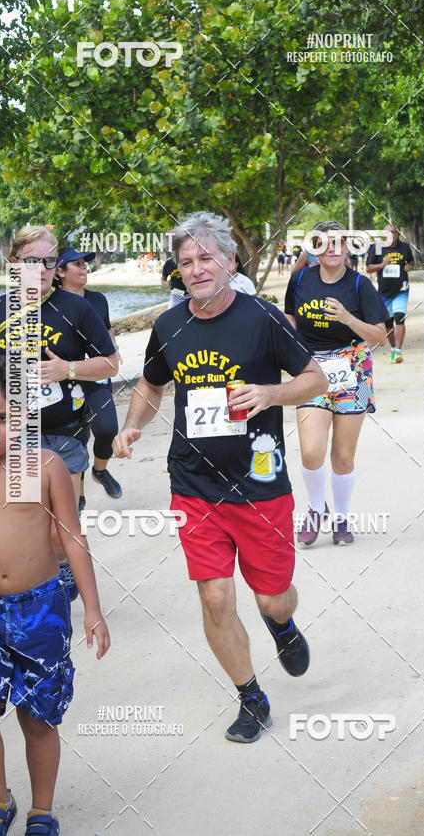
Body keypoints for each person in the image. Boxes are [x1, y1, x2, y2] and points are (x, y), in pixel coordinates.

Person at [113, 211, 326, 744]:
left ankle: (281, 624)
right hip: (194, 484)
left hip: (260, 485)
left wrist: (271, 394)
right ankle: (251, 698)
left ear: (230, 261)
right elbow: (152, 384)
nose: (197, 268)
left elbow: (316, 378)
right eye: (186, 261)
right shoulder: (169, 325)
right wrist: (131, 426)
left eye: (207, 257)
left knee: (273, 595)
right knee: (214, 598)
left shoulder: (265, 318)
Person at [0, 355, 110, 836]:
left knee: (37, 718)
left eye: (4, 418)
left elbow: (72, 538)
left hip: (43, 610)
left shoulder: (47, 466)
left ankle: (41, 809)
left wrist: (92, 610)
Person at [0, 225, 118, 597]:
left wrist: (66, 369)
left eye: (50, 261)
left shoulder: (76, 308)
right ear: (15, 263)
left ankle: (63, 570)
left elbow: (111, 363)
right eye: (33, 260)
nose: (43, 268)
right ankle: (38, 580)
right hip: (12, 435)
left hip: (64, 430)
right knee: (20, 520)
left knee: (59, 526)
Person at [285, 221, 388, 546]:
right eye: (324, 243)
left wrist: (347, 318)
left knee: (343, 455)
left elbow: (381, 337)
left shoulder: (359, 285)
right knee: (311, 451)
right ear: (315, 247)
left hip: (353, 369)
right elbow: (289, 318)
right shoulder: (299, 279)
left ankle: (341, 516)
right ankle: (317, 507)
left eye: (338, 243)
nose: (332, 248)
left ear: (348, 247)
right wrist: (288, 353)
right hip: (312, 367)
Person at [54, 246, 123, 503]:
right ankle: (79, 495)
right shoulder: (50, 304)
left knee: (107, 429)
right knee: (77, 437)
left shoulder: (98, 299)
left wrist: (114, 351)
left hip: (96, 375)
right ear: (60, 271)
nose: (84, 268)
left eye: (85, 263)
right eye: (77, 264)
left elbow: (106, 329)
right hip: (65, 380)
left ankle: (100, 470)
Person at [365, 222, 414, 363]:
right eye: (387, 233)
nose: (390, 235)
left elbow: (411, 261)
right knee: (388, 323)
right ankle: (393, 348)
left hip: (401, 289)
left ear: (397, 234)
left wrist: (409, 267)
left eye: (393, 232)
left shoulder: (404, 247)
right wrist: (381, 265)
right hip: (384, 292)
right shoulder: (377, 248)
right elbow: (368, 268)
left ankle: (398, 350)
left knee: (400, 317)